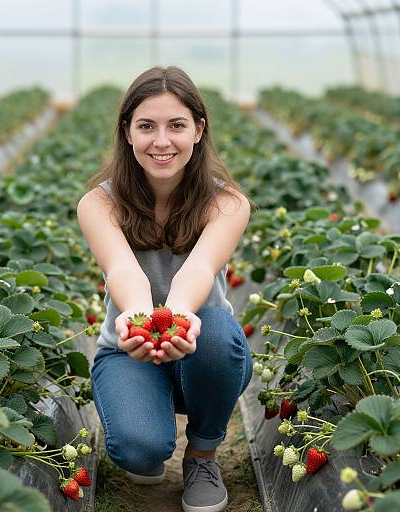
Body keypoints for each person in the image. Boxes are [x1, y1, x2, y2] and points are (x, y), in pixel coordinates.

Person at [77, 65, 254, 512]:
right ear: (127, 132)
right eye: (146, 126)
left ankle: (202, 455)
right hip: (128, 349)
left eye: (176, 125)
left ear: (198, 130)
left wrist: (174, 321)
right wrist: (140, 324)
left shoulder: (227, 203)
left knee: (214, 328)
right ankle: (147, 429)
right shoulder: (100, 203)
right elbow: (122, 271)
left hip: (201, 345)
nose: (161, 141)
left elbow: (199, 269)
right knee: (140, 454)